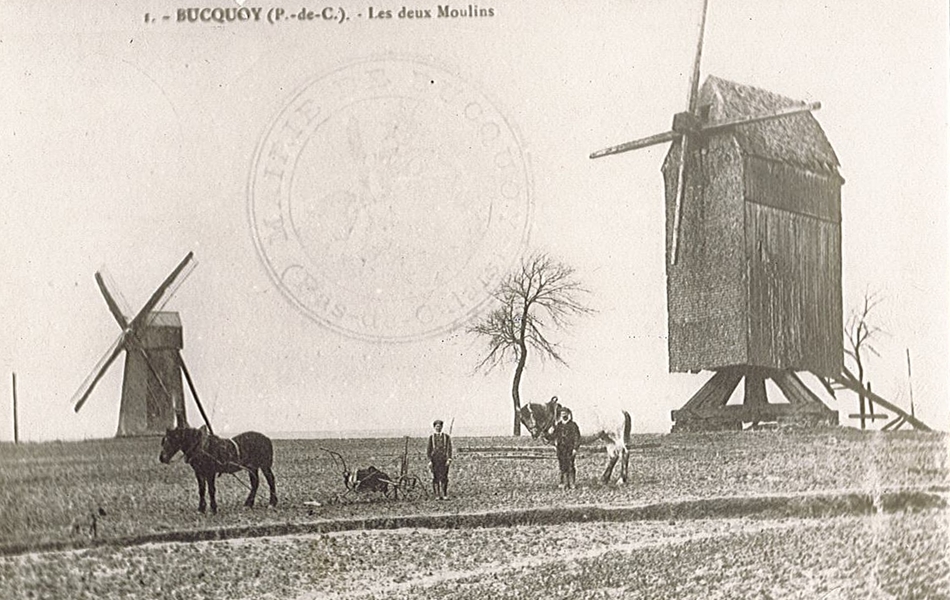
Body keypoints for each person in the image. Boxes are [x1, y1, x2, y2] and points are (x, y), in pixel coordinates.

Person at [553, 407, 580, 489]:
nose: (564, 415)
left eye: (565, 414)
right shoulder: (559, 425)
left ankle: (572, 483)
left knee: (570, 465)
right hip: (561, 449)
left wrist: (575, 448)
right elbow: (554, 436)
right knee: (562, 466)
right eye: (562, 414)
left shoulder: (573, 425)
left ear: (568, 415)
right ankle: (564, 483)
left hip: (570, 448)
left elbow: (577, 437)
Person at [427, 419, 453, 500]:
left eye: (440, 426)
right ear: (434, 427)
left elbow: (449, 449)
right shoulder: (431, 438)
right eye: (436, 426)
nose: (438, 428)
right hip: (435, 460)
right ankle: (437, 495)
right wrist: (430, 461)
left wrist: (449, 459)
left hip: (444, 460)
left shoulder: (446, 437)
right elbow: (429, 450)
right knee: (435, 477)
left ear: (442, 427)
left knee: (444, 477)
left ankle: (444, 495)